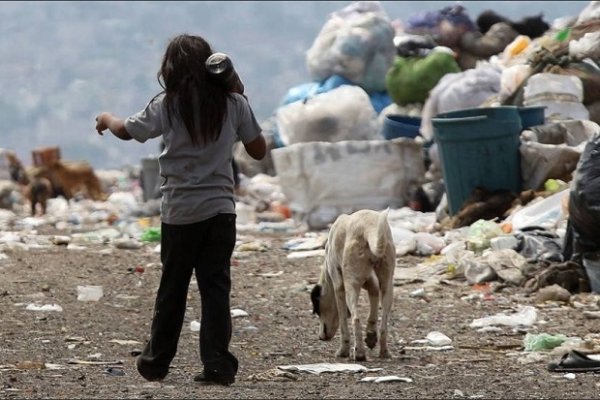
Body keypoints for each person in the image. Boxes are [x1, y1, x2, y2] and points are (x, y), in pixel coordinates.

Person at [95, 33, 266, 386]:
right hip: (221, 211)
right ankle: (218, 365)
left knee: (173, 288)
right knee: (215, 288)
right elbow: (259, 150)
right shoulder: (233, 104)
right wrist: (240, 92)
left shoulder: (168, 104)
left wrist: (107, 118)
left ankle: (156, 363)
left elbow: (129, 131)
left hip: (180, 212)